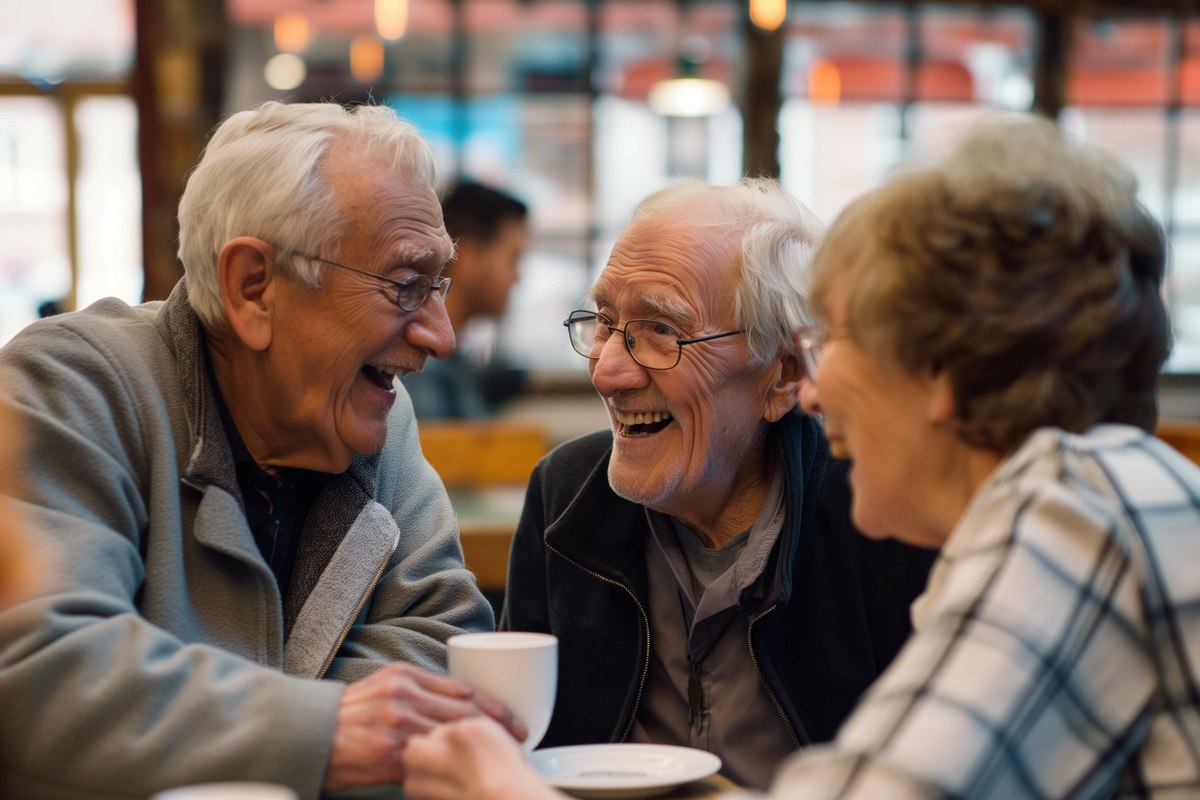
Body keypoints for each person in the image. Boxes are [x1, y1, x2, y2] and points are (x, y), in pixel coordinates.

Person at [399, 114, 1199, 799]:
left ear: (942, 372)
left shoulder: (1071, 514)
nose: (816, 390)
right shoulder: (1103, 489)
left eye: (839, 338)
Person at [0, 101, 524, 800]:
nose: (440, 336)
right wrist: (322, 729)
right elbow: (41, 672)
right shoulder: (74, 384)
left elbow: (444, 644)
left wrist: (220, 723)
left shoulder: (373, 419)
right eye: (405, 286)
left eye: (439, 286)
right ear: (254, 288)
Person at [504, 178, 933, 790]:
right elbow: (521, 747)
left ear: (785, 374)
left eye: (661, 331)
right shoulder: (568, 493)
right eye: (604, 322)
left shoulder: (877, 515)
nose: (607, 371)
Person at [402, 180, 529, 419]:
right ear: (467, 255)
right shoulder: (422, 369)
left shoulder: (455, 365)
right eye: (513, 259)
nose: (517, 278)